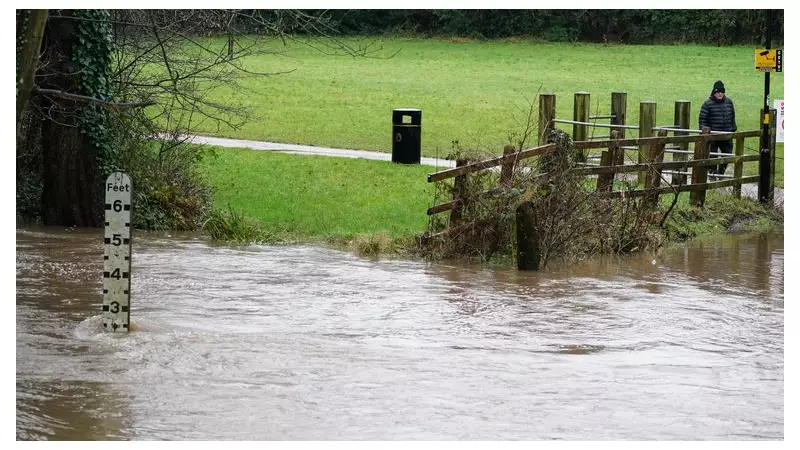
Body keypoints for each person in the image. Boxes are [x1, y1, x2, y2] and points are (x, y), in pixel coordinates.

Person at [698, 80, 737, 175]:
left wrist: (733, 128)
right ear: (714, 92)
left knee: (727, 154)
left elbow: (732, 117)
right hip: (713, 136)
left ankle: (721, 173)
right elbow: (702, 120)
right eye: (718, 92)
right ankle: (712, 173)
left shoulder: (729, 102)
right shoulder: (707, 104)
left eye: (722, 92)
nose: (720, 94)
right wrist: (705, 133)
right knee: (712, 156)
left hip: (726, 135)